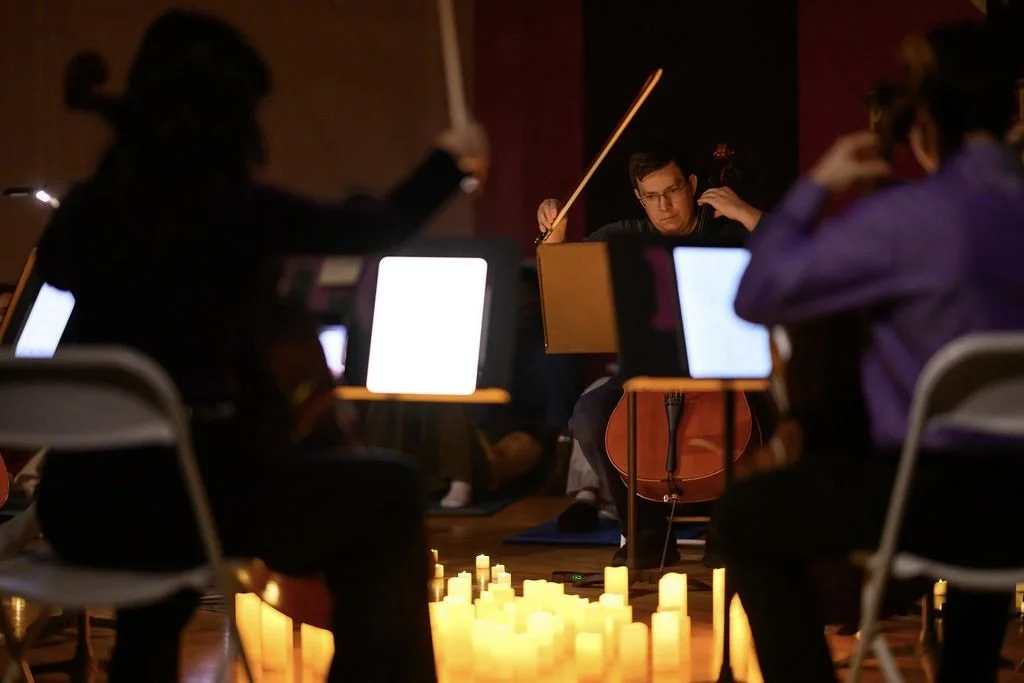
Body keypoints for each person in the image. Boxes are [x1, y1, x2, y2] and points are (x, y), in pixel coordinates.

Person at [31, 10, 487, 683]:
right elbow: (375, 226)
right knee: (386, 490)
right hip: (185, 505)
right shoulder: (234, 209)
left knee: (162, 520)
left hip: (80, 507)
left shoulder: (83, 214)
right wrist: (453, 161)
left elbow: (65, 269)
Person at [714, 21, 1024, 683]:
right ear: (1013, 116)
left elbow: (757, 292)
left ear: (925, 122)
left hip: (931, 508)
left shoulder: (915, 219)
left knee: (742, 516)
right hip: (1017, 505)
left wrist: (819, 185)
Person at [535, 141, 766, 569]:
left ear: (692, 185)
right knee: (588, 416)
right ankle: (643, 532)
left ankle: (730, 530)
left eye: (673, 191)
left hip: (725, 373)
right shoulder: (624, 238)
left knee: (769, 414)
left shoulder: (727, 230)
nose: (665, 205)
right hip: (644, 376)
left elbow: (798, 253)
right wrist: (558, 238)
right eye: (652, 196)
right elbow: (567, 280)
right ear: (639, 198)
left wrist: (748, 214)